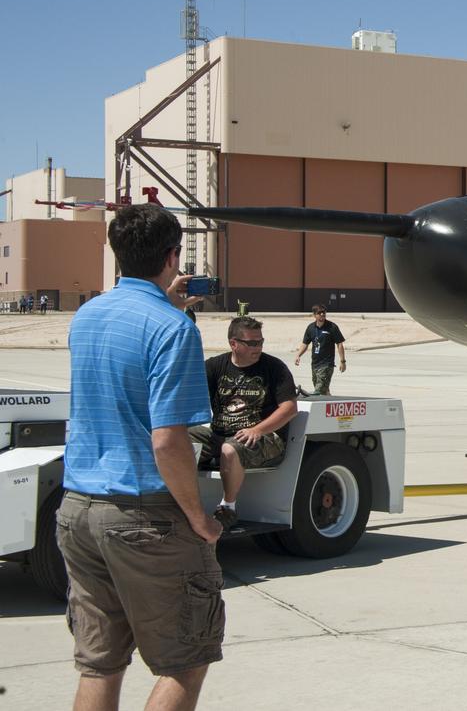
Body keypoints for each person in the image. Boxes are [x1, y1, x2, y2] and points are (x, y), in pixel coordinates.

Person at [57, 204, 223, 711]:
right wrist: (199, 519)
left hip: (78, 509)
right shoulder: (173, 331)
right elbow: (167, 440)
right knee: (186, 658)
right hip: (143, 513)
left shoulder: (87, 315)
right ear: (174, 257)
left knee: (100, 662)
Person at [190, 316, 298, 530]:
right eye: (252, 343)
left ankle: (228, 508)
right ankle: (176, 501)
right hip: (219, 433)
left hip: (266, 438)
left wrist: (257, 429)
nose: (258, 347)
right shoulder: (215, 366)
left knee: (230, 449)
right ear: (234, 343)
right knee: (176, 440)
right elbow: (191, 397)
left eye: (260, 342)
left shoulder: (274, 368)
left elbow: (289, 409)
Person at [294, 306, 345, 395]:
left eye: (324, 312)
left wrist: (342, 361)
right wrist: (298, 355)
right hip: (315, 364)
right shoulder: (311, 328)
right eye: (319, 313)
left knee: (318, 391)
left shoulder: (332, 327)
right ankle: (330, 404)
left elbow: (339, 344)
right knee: (324, 391)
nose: (322, 314)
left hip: (327, 365)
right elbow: (305, 343)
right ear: (314, 315)